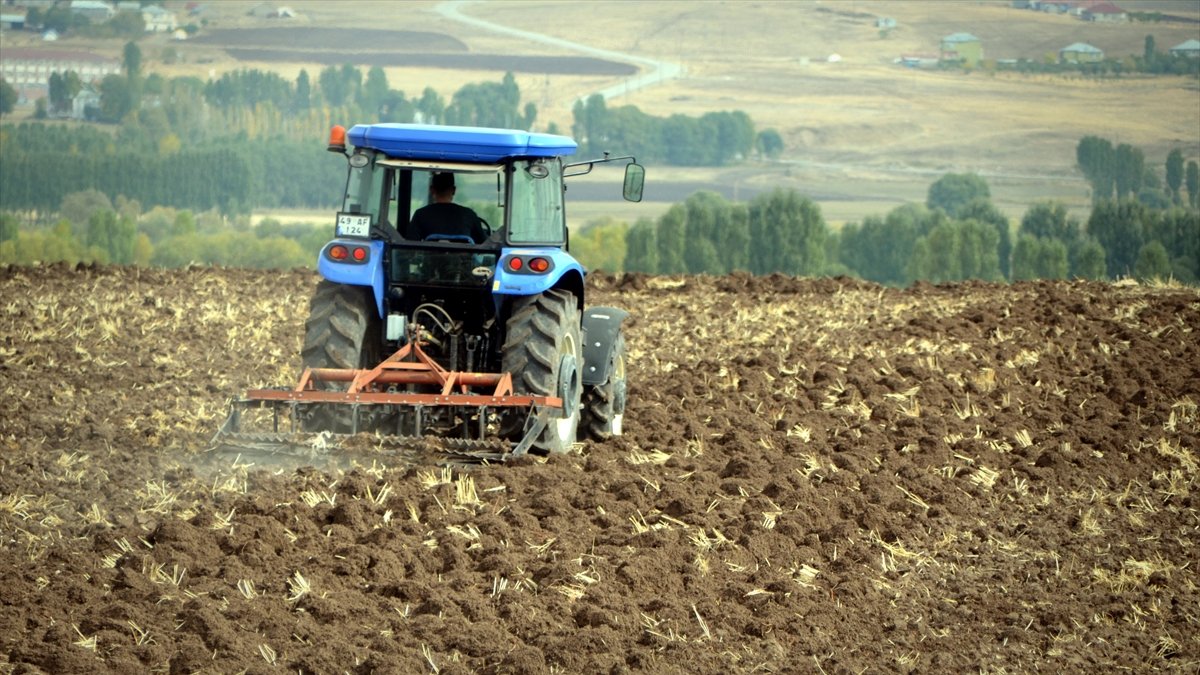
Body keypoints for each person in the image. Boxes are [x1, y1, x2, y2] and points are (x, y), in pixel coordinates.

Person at [410, 172, 487, 243]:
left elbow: (410, 246)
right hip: (463, 258)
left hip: (430, 258)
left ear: (432, 190)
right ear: (454, 190)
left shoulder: (420, 215)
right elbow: (484, 244)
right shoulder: (469, 215)